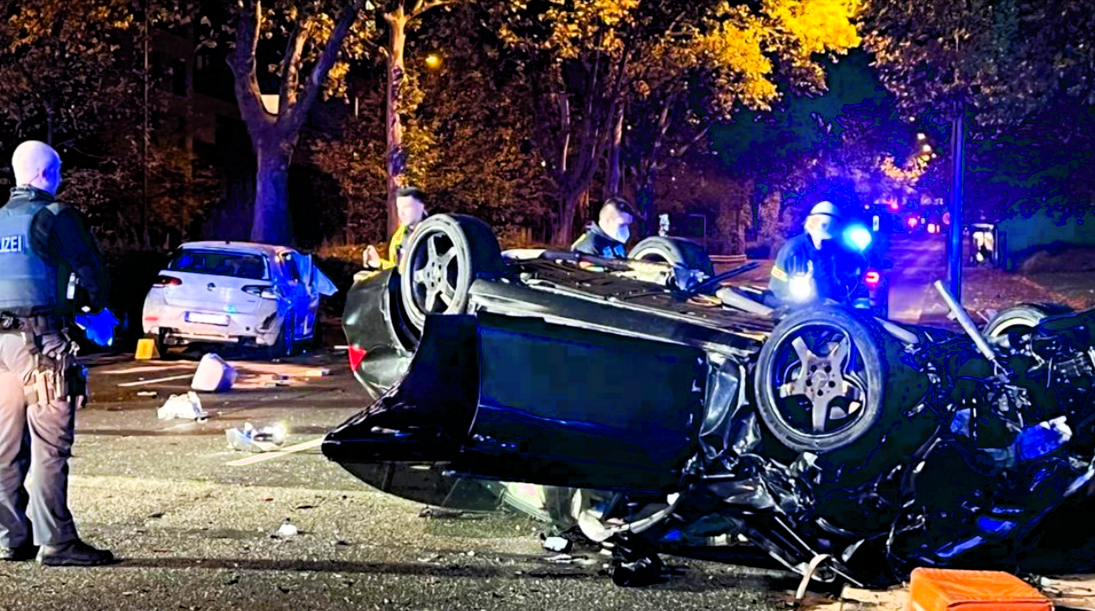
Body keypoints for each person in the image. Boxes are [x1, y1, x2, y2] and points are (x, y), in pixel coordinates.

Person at [0, 140, 113, 566]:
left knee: (5, 447)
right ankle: (57, 543)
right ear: (47, 175)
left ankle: (11, 538)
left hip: (0, 345)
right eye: (59, 172)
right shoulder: (54, 216)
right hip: (40, 346)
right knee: (50, 445)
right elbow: (92, 276)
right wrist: (93, 310)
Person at [768, 201, 859, 305]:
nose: (820, 242)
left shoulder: (843, 252)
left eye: (824, 239)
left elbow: (856, 282)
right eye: (817, 236)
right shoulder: (792, 251)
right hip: (801, 312)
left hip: (837, 311)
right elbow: (777, 288)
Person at [365, 186, 428, 270]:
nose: (401, 213)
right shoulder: (399, 237)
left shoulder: (438, 233)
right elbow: (398, 272)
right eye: (399, 208)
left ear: (422, 206)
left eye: (406, 207)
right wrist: (379, 264)